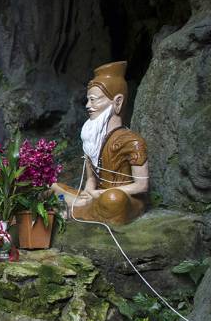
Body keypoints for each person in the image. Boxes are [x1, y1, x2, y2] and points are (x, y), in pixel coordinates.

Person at [52, 61, 149, 225]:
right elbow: (91, 180)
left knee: (113, 200)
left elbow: (142, 186)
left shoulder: (133, 141)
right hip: (96, 197)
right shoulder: (91, 140)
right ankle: (81, 206)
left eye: (93, 100)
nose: (88, 106)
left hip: (123, 199)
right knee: (53, 187)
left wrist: (99, 194)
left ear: (117, 102)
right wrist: (89, 191)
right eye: (88, 100)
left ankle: (72, 210)